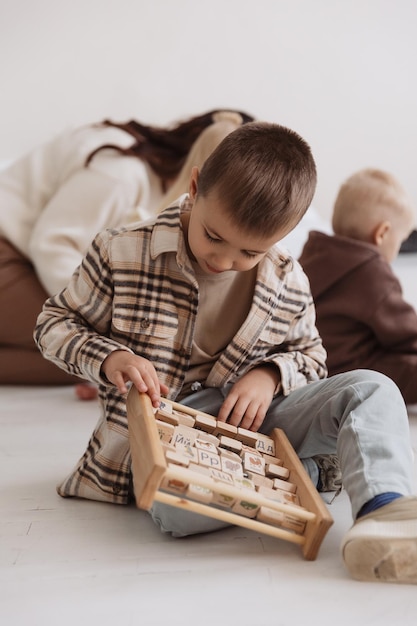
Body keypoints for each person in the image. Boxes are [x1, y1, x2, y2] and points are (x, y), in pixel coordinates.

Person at [34, 123, 417, 584]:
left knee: (373, 387)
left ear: (284, 235)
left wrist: (271, 375)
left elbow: (311, 355)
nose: (223, 260)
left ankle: (386, 512)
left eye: (249, 252)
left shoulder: (288, 280)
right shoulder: (120, 252)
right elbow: (53, 324)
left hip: (257, 422)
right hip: (166, 439)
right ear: (194, 188)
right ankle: (309, 475)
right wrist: (109, 357)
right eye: (213, 236)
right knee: (173, 510)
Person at [0, 108, 253, 393]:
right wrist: (110, 336)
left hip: (26, 260)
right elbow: (53, 244)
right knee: (72, 342)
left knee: (92, 360)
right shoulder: (121, 173)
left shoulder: (168, 195)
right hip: (9, 251)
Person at [299, 168, 417, 406]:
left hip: (313, 368)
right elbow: (406, 333)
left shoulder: (313, 254)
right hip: (352, 374)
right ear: (382, 233)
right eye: (401, 240)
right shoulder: (372, 271)